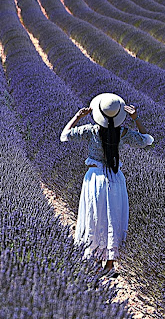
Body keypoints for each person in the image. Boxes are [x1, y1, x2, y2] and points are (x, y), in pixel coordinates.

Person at [60, 92, 154, 276]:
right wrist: (136, 119)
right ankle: (109, 264)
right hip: (115, 179)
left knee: (94, 217)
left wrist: (78, 117)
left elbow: (65, 135)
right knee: (113, 218)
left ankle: (94, 261)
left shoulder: (90, 131)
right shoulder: (122, 132)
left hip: (95, 179)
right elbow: (147, 140)